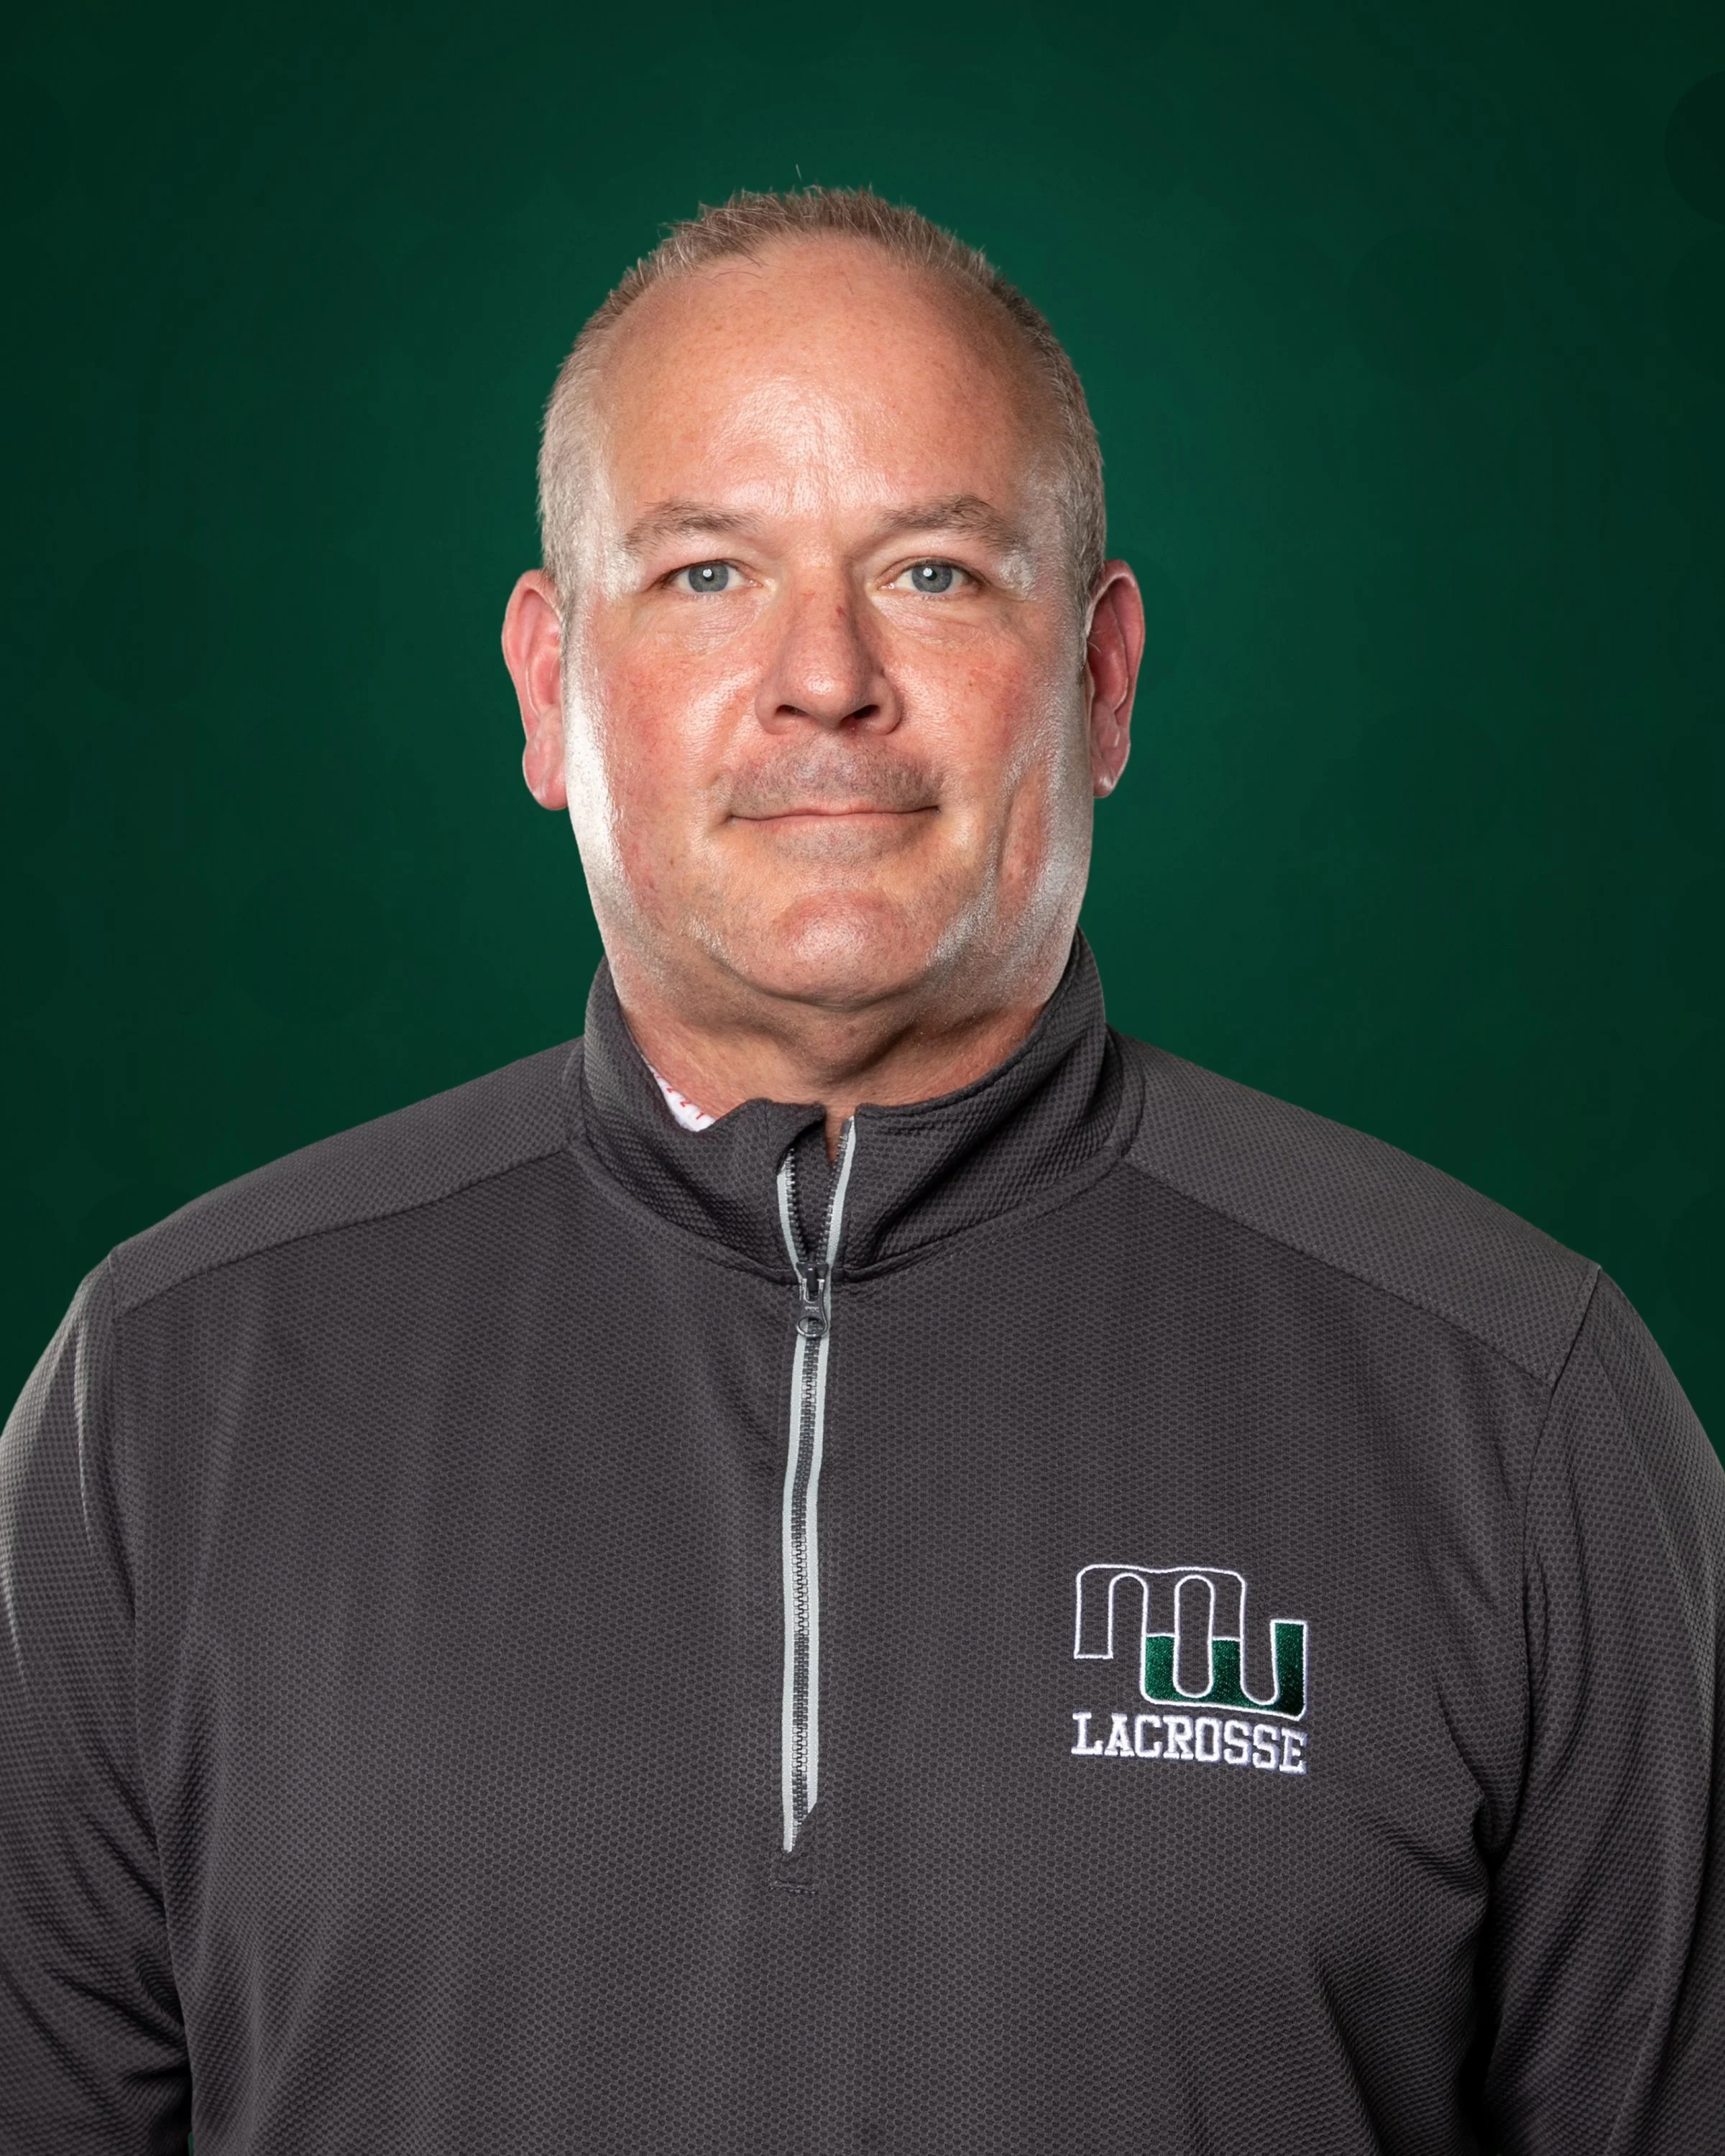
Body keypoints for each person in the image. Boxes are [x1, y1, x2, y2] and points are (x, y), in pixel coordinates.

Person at [1, 188, 1720, 2155]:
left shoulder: (1516, 1403)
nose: (827, 679)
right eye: (710, 574)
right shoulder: (167, 1393)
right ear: (551, 687)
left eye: (933, 573)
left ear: (1105, 679)